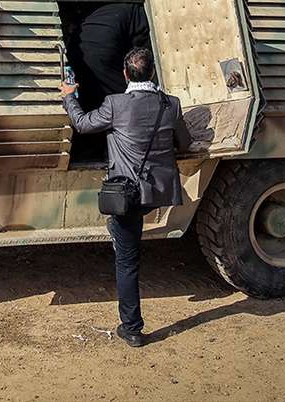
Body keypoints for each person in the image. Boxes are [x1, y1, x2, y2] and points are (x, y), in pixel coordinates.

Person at [59, 47, 191, 347]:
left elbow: (83, 124)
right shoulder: (171, 104)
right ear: (153, 73)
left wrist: (69, 95)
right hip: (157, 192)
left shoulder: (116, 104)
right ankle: (130, 325)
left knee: (127, 260)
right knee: (128, 235)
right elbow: (185, 141)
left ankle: (132, 329)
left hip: (126, 195)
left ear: (124, 74)